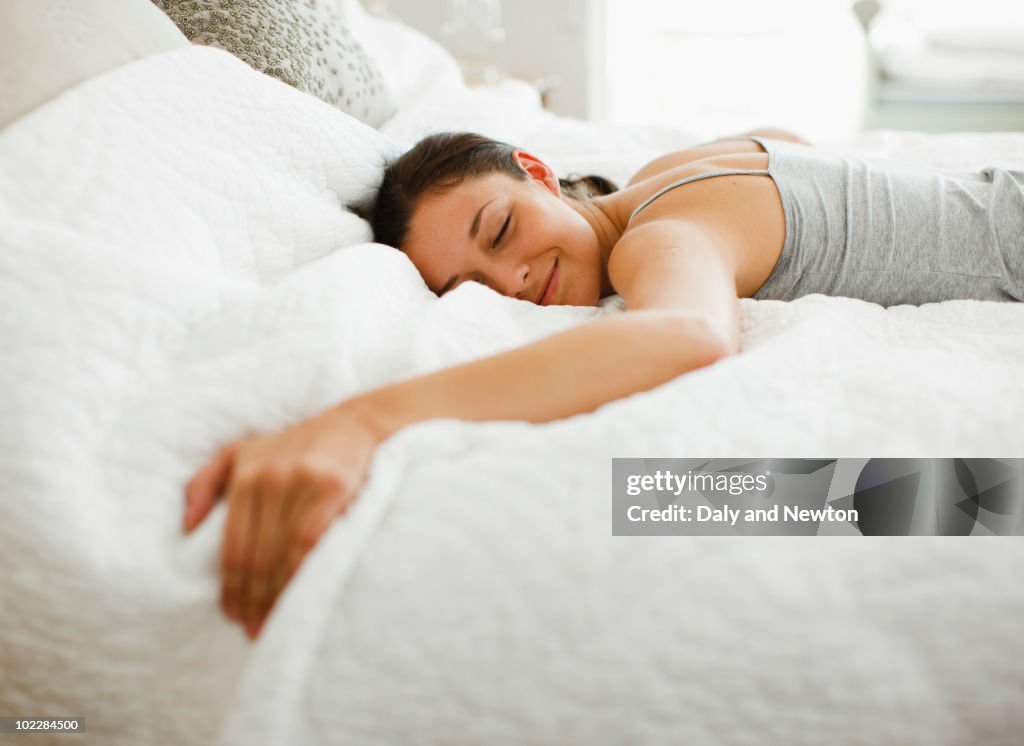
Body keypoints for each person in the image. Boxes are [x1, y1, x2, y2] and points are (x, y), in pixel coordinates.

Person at [182, 127, 1024, 639]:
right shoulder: (673, 168)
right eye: (471, 287)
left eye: (501, 228)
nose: (510, 281)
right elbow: (780, 135)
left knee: (688, 497)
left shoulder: (656, 237)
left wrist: (362, 422)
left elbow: (686, 334)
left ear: (539, 170)